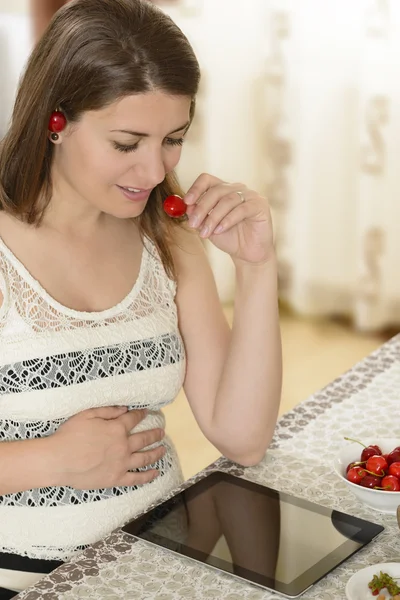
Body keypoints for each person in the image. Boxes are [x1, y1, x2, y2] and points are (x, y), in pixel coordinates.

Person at [0, 0, 282, 597]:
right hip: (26, 576)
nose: (154, 170)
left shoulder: (165, 235)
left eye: (173, 139)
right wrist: (46, 460)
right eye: (127, 143)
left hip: (165, 556)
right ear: (57, 121)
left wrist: (256, 269)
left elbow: (243, 436)